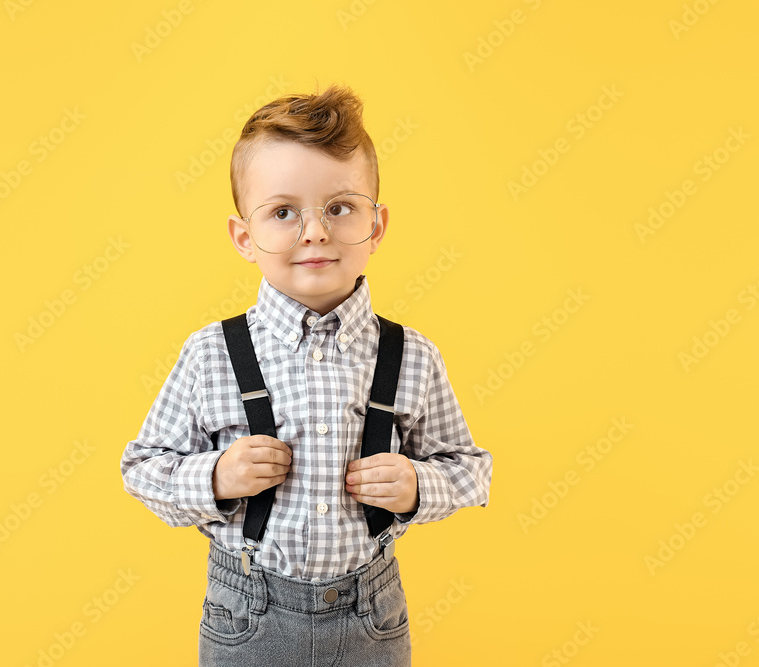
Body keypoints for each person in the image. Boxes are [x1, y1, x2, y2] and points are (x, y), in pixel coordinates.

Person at [120, 83, 492, 666]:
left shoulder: (411, 355)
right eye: (283, 212)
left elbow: (470, 471)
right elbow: (142, 468)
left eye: (340, 207)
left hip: (370, 612)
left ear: (377, 224)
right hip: (247, 613)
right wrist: (215, 476)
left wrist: (420, 487)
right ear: (246, 236)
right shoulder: (211, 352)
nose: (315, 231)